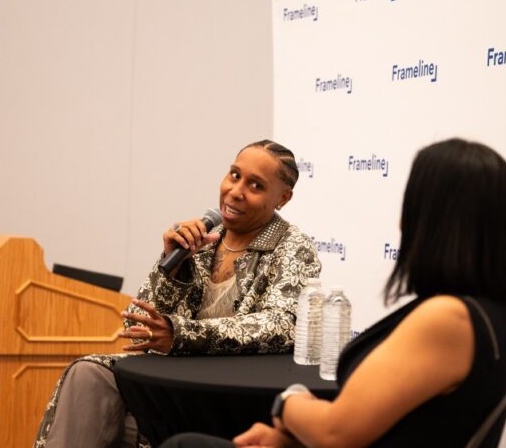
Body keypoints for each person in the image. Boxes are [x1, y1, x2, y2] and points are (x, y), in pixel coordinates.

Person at [159, 138, 506, 448]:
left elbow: (334, 433)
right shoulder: (502, 311)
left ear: (437, 223)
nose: (401, 222)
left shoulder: (448, 319)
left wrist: (289, 401)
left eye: (412, 205)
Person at [33, 140, 321, 448]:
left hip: (227, 402)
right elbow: (138, 329)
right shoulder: (201, 236)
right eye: (234, 175)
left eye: (255, 185)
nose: (236, 191)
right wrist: (172, 270)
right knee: (88, 373)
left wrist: (182, 334)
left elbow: (280, 325)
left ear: (283, 198)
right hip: (169, 389)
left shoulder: (292, 246)